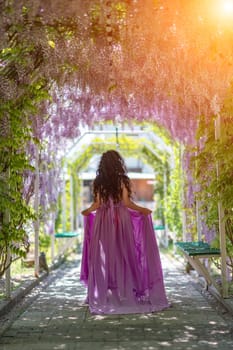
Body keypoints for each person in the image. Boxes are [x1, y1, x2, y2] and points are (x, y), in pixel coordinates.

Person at [80, 150, 169, 314]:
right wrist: (142, 209)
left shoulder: (99, 181)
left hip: (103, 221)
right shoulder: (122, 180)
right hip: (121, 221)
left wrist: (87, 211)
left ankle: (107, 292)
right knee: (125, 256)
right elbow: (127, 203)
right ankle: (126, 292)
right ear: (118, 163)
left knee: (105, 258)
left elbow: (97, 204)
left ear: (103, 165)